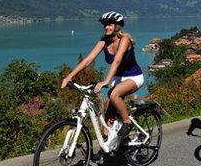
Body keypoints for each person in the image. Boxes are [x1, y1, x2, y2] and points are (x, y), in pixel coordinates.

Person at [59, 11, 146, 146]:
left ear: (117, 26)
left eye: (109, 24)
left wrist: (106, 81)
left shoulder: (125, 40)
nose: (106, 27)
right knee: (108, 117)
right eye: (105, 25)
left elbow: (117, 61)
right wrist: (69, 76)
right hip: (118, 77)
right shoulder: (104, 41)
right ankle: (106, 145)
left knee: (113, 94)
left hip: (134, 77)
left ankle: (127, 122)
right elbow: (88, 60)